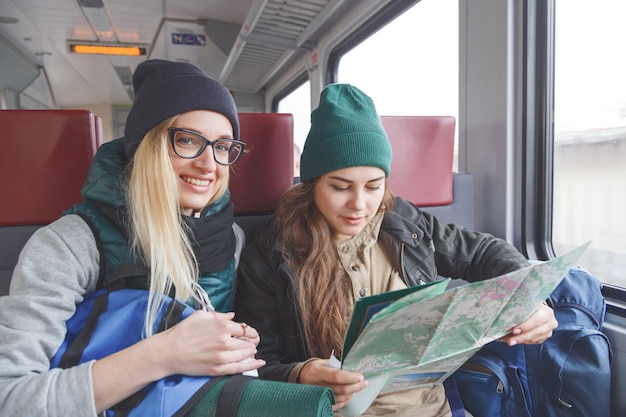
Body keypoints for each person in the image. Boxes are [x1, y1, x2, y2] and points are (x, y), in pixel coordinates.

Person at [234, 83, 558, 416]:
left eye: (373, 186)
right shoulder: (272, 254)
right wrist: (299, 374)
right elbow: (257, 365)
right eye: (340, 187)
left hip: (434, 407)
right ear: (311, 184)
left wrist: (530, 297)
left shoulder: (404, 224)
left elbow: (484, 252)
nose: (359, 205)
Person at [0, 59, 265, 416]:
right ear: (146, 147)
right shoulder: (72, 243)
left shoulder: (230, 238)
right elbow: (10, 397)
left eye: (222, 147)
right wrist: (164, 354)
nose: (209, 164)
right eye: (187, 140)